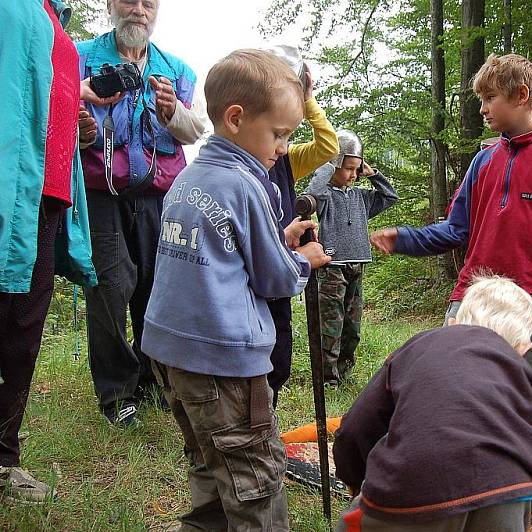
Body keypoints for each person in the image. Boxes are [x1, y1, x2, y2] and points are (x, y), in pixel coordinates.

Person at [141, 49, 329, 531]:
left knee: (211, 470)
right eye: (280, 134)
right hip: (223, 366)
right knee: (255, 483)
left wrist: (276, 241)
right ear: (237, 118)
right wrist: (302, 259)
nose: (285, 148)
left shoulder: (187, 178)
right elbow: (274, 279)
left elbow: (223, 255)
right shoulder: (247, 183)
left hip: (172, 355)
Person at [370, 53, 532, 407]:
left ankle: (524, 465)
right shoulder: (484, 161)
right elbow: (455, 230)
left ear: (521, 95)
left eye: (490, 98)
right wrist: (405, 239)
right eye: (481, 100)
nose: (482, 109)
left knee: (523, 409)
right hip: (470, 301)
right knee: (453, 397)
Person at [0, 0, 122, 503]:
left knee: (20, 335)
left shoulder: (54, 19)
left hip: (46, 197)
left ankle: (3, 461)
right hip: (10, 189)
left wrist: (79, 122)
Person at [333, 276, 532, 532]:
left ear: (452, 323)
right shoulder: (522, 374)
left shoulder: (417, 347)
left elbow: (356, 425)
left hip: (414, 485)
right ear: (524, 348)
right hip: (505, 492)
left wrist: (354, 477)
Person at [76, 0, 206, 426]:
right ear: (112, 5)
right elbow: (54, 112)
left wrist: (173, 113)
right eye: (127, 1)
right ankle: (116, 394)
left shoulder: (178, 69)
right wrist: (82, 126)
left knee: (158, 288)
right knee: (110, 289)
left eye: (147, 3)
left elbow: (194, 131)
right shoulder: (80, 58)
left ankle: (152, 379)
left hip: (159, 196)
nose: (137, 10)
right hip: (101, 192)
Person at [264, 53, 339, 405]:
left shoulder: (286, 157)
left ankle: (269, 405)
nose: (280, 143)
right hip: (259, 264)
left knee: (279, 344)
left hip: (282, 262)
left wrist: (307, 101)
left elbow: (328, 146)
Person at [305, 131, 399, 385]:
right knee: (331, 327)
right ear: (335, 165)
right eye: (347, 169)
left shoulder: (361, 198)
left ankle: (344, 372)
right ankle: (328, 378)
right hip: (333, 268)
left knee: (352, 328)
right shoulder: (325, 198)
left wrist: (373, 174)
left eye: (356, 170)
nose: (352, 175)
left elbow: (390, 197)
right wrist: (328, 162)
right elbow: (311, 192)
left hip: (358, 264)